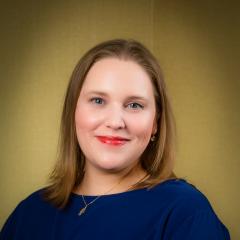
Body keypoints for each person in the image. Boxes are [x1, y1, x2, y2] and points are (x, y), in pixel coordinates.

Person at [0, 39, 230, 239]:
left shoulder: (185, 211)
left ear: (155, 123)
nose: (115, 122)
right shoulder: (29, 213)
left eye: (134, 105)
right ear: (73, 112)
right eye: (98, 100)